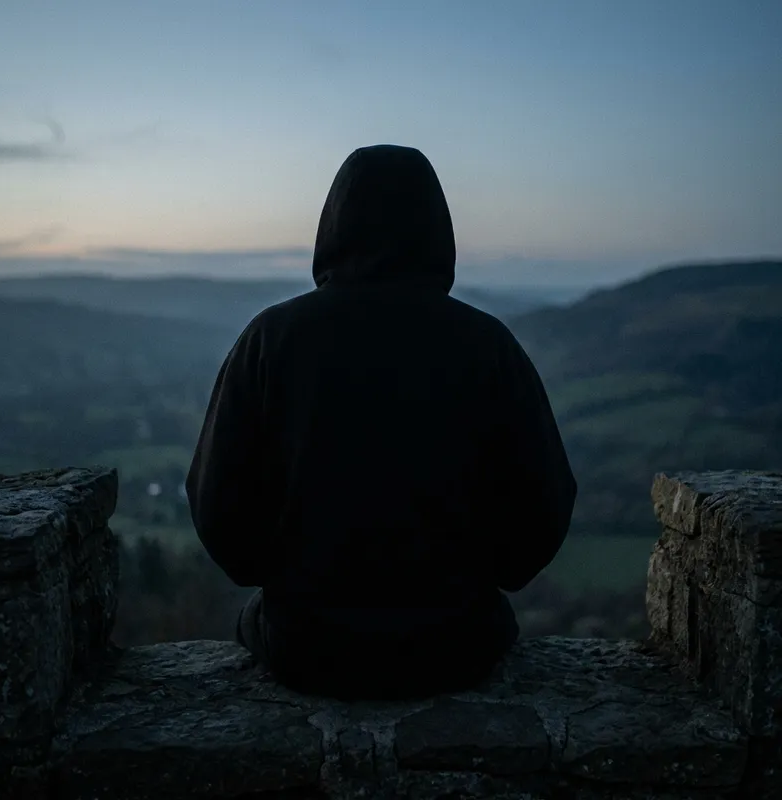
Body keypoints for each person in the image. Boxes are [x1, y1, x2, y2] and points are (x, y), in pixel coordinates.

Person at [186, 144, 577, 700]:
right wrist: (478, 582)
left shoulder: (271, 339)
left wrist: (285, 580)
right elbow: (544, 505)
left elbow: (217, 505)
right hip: (459, 645)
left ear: (332, 226)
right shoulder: (487, 344)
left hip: (306, 646)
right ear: (437, 231)